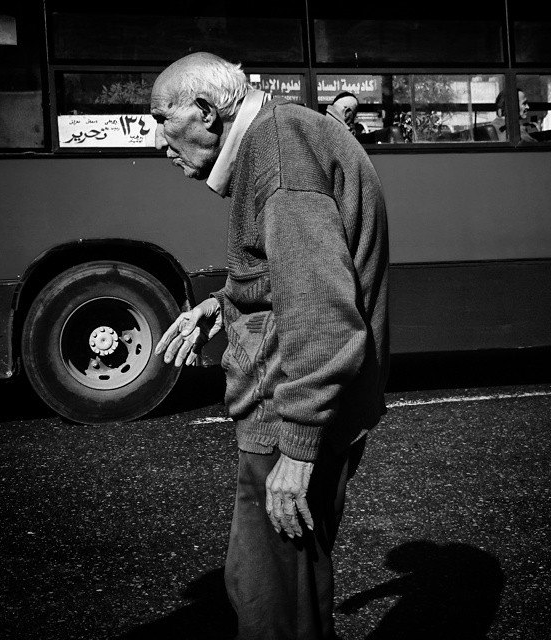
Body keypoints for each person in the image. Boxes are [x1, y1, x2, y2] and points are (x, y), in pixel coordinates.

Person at [151, 52, 389, 640]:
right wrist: (220, 308)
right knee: (275, 595)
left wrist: (299, 447)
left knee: (273, 608)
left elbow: (325, 316)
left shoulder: (277, 152)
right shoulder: (282, 137)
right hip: (289, 412)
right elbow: (285, 279)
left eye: (161, 117)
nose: (158, 139)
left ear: (205, 112)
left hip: (288, 422)